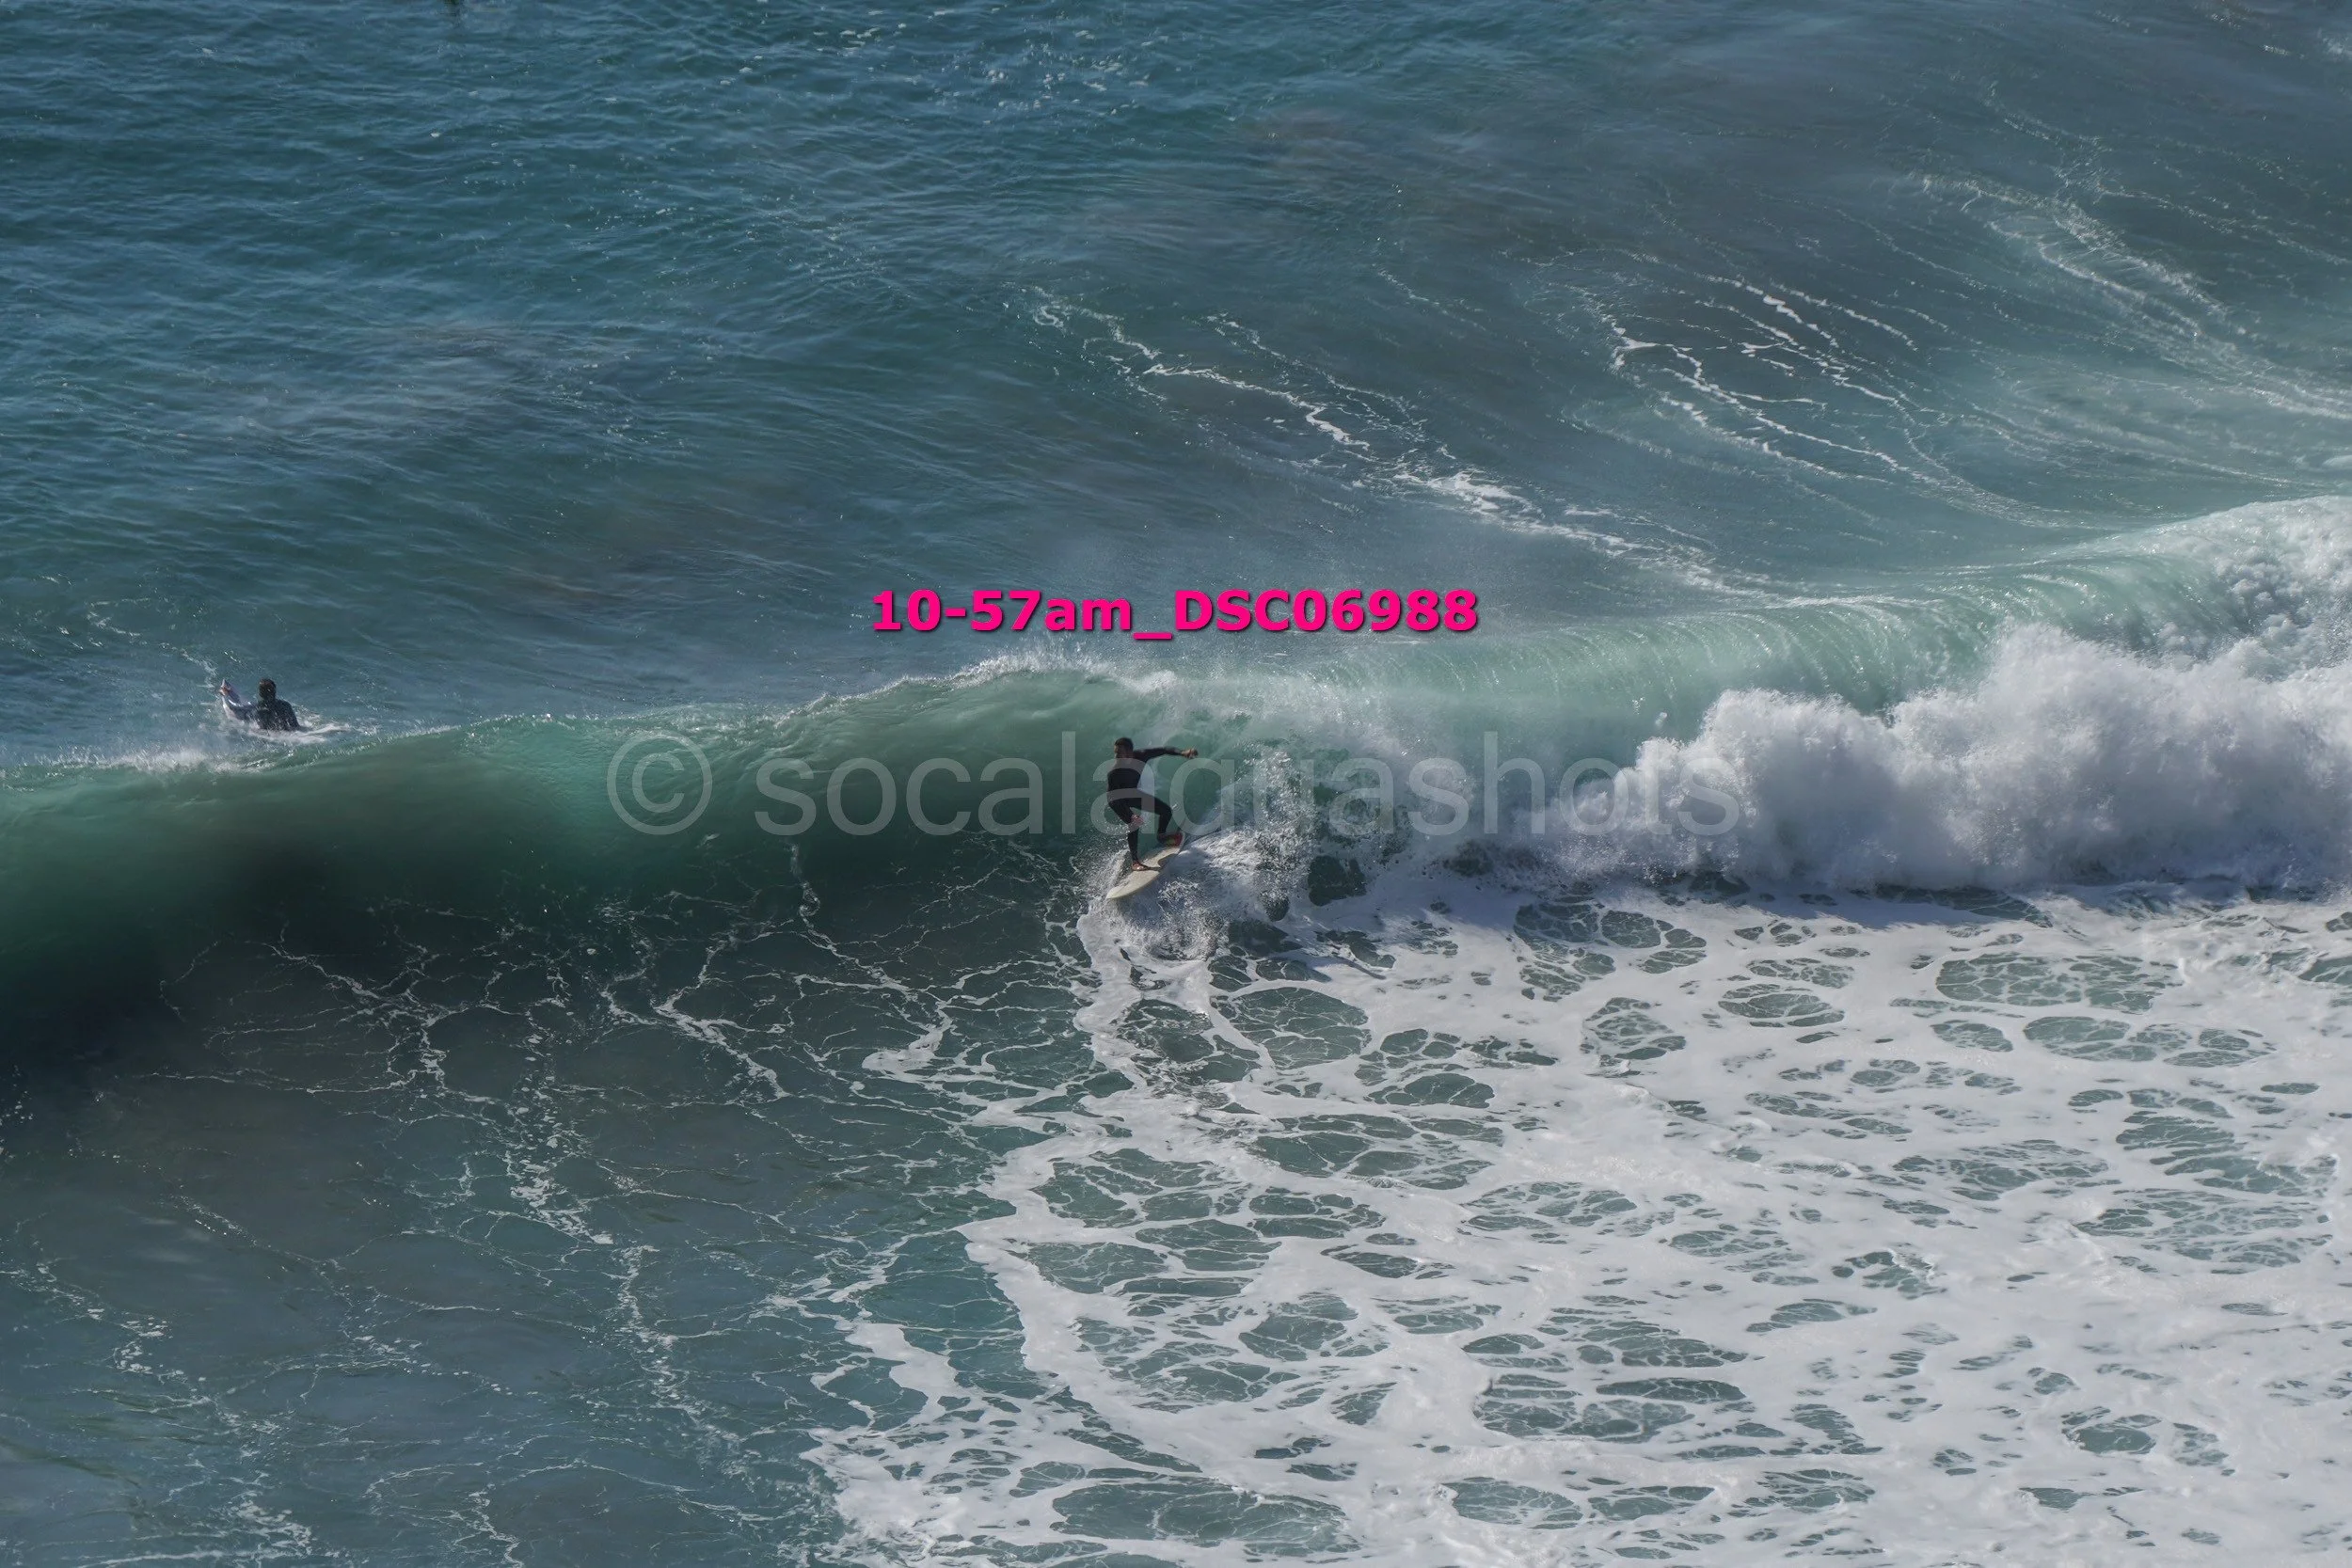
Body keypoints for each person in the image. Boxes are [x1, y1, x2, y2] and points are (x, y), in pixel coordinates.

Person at [1107, 736, 1196, 869]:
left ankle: (1161, 836)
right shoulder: (1114, 773)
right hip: (1116, 799)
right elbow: (1117, 797)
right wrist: (1131, 815)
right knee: (1134, 824)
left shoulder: (1141, 756)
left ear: (1130, 752)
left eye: (1119, 753)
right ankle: (1135, 862)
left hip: (1132, 794)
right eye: (1115, 753)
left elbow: (1164, 750)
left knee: (1165, 811)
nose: (1116, 756)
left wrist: (1182, 752)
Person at [221, 678, 303, 732]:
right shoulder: (286, 705)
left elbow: (239, 713)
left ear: (260, 694)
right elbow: (296, 727)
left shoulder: (258, 710)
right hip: (291, 733)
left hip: (273, 737)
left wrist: (227, 696)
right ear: (275, 692)